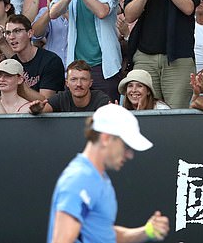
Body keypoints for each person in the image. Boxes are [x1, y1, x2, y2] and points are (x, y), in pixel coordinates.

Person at [46, 103, 169, 242]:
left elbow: (103, 234)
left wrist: (146, 232)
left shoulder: (97, 178)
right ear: (106, 139)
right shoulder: (79, 179)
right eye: (126, 146)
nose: (129, 155)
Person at [50, 0, 122, 99]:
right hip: (77, 66)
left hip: (104, 65)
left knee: (107, 117)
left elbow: (102, 11)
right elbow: (53, 13)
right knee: (77, 119)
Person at [5, 13, 65, 99]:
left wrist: (20, 84)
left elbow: (45, 101)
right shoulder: (12, 63)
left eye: (17, 31)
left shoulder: (51, 61)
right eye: (7, 33)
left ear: (30, 33)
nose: (11, 37)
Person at [29, 59, 110, 113]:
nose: (78, 84)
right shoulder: (61, 98)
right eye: (74, 79)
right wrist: (37, 110)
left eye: (83, 79)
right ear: (67, 83)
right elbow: (44, 110)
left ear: (90, 83)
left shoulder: (101, 99)